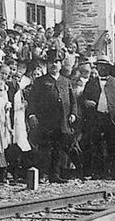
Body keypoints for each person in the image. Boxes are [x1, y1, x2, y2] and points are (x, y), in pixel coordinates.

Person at [26, 53, 77, 184]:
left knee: (57, 149)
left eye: (56, 62)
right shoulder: (40, 81)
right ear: (47, 65)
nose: (54, 65)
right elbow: (32, 100)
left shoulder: (66, 81)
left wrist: (73, 113)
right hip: (46, 121)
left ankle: (55, 175)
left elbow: (73, 100)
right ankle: (43, 174)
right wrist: (32, 115)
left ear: (61, 64)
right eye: (51, 62)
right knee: (45, 148)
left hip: (62, 121)